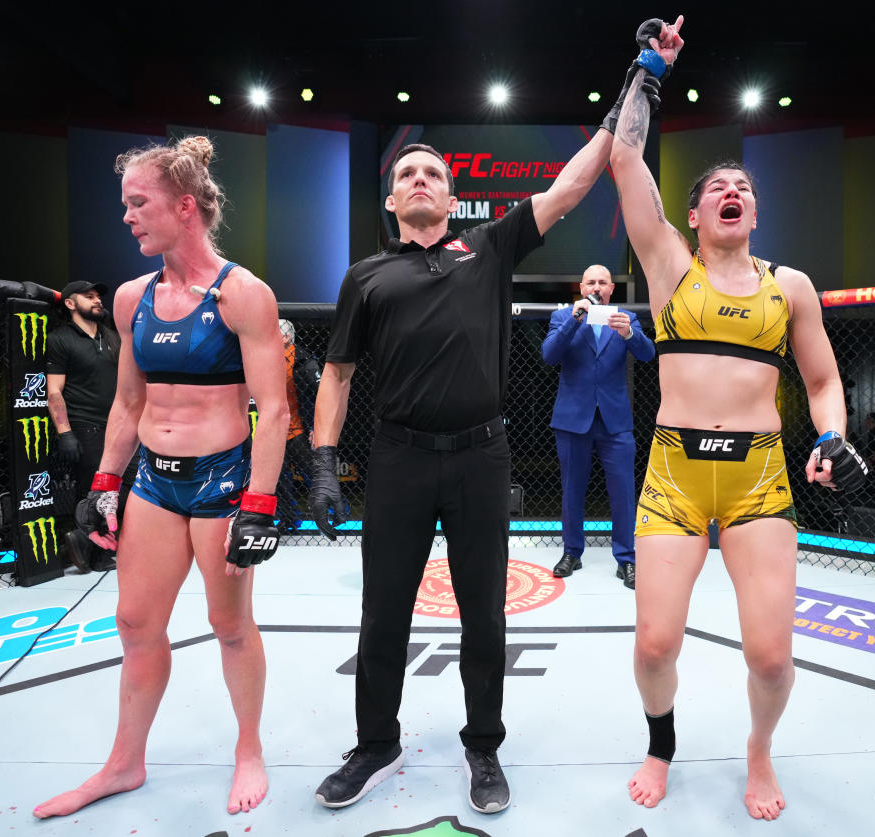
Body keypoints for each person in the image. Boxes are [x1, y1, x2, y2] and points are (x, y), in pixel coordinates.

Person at [307, 76, 641, 811]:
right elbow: (335, 375)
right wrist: (324, 461)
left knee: (484, 610)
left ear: (451, 198)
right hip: (397, 458)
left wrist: (628, 96)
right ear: (391, 200)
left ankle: (483, 744)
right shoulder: (366, 276)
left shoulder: (488, 246)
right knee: (383, 609)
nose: (419, 179)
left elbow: (572, 184)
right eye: (406, 174)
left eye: (432, 173)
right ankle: (374, 741)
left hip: (479, 456)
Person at [608, 16, 868, 820]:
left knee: (772, 658)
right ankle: (661, 739)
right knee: (654, 644)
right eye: (717, 187)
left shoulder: (790, 286)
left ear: (753, 214)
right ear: (691, 216)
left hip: (760, 481)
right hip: (673, 478)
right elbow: (623, 157)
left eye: (744, 188)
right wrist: (649, 70)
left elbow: (823, 380)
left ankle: (759, 748)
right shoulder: (668, 269)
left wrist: (833, 434)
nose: (732, 191)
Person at [33, 136, 289, 818]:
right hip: (152, 481)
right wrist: (103, 484)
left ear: (184, 206)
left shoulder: (243, 294)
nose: (127, 216)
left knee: (228, 625)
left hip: (221, 480)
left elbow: (274, 408)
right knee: (135, 622)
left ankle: (249, 748)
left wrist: (259, 505)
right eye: (126, 204)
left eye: (137, 202)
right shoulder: (129, 298)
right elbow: (129, 401)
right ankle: (125, 762)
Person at [542, 264, 654, 589]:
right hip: (573, 418)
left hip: (614, 420)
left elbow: (647, 355)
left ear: (611, 289)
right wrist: (576, 319)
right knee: (571, 489)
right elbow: (549, 355)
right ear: (581, 287)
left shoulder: (624, 318)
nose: (596, 286)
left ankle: (627, 559)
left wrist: (630, 334)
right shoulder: (564, 317)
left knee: (622, 491)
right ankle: (572, 552)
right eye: (591, 281)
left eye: (602, 282)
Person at [46, 279, 122, 573]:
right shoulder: (60, 339)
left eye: (98, 296)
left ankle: (87, 539)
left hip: (119, 424)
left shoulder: (112, 336)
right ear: (69, 303)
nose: (97, 300)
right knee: (93, 489)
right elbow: (54, 390)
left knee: (126, 486)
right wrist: (65, 432)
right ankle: (92, 551)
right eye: (88, 296)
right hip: (85, 423)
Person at [273, 318, 320, 532]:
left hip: (299, 428)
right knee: (279, 479)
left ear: (286, 337)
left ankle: (337, 515)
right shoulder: (266, 359)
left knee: (314, 474)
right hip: (274, 431)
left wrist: (316, 426)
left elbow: (319, 396)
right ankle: (289, 519)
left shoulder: (303, 360)